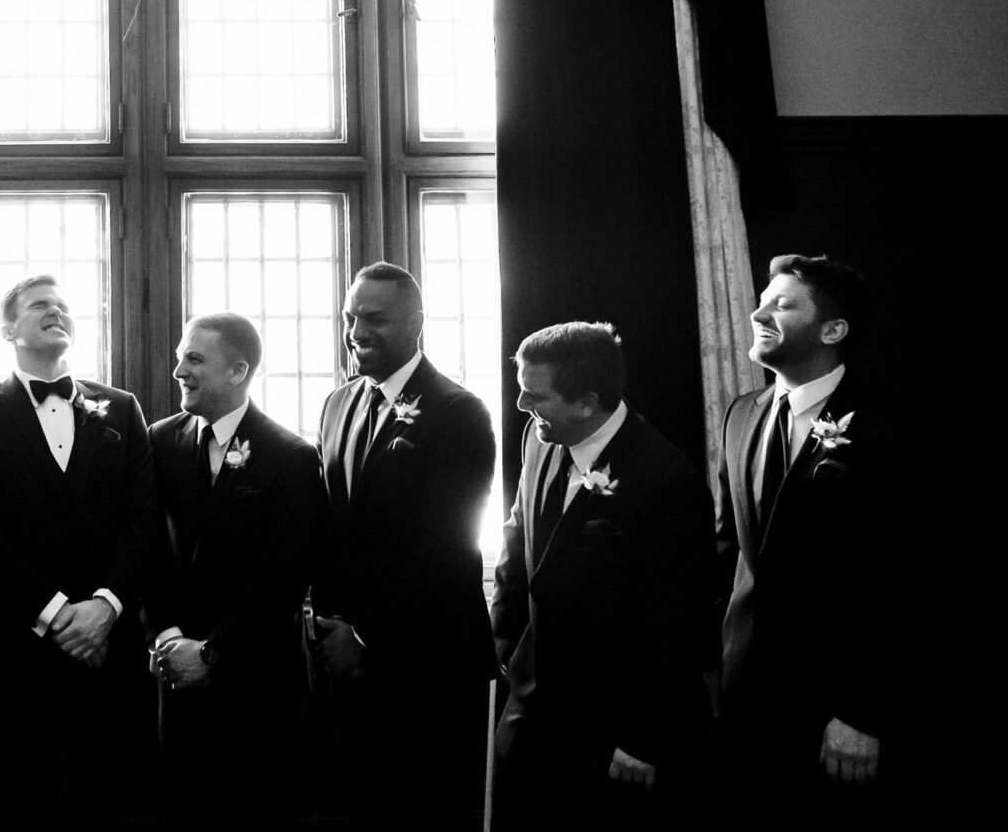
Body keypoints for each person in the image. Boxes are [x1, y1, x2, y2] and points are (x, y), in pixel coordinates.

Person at [0, 275, 158, 817]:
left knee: (107, 806)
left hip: (107, 652)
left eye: (64, 305)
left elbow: (144, 517)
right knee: (9, 809)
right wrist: (59, 614)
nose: (56, 311)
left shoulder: (122, 408)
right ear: (8, 328)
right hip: (12, 653)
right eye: (41, 305)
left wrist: (105, 606)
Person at [489, 322, 715, 830]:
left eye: (534, 395)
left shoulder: (667, 482)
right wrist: (505, 643)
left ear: (588, 403)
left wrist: (642, 736)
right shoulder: (540, 438)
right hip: (531, 709)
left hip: (612, 729)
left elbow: (674, 625)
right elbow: (516, 536)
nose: (522, 406)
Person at [313, 261, 497, 827]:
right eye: (350, 318)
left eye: (374, 318)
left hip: (427, 665)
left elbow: (445, 548)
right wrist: (328, 623)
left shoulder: (457, 411)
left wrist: (367, 635)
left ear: (416, 323)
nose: (356, 332)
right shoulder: (338, 403)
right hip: (348, 663)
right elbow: (332, 524)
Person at [716, 254, 897, 825]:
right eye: (763, 300)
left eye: (782, 304)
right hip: (745, 707)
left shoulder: (887, 427)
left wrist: (862, 713)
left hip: (835, 718)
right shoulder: (741, 415)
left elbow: (907, 580)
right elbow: (729, 557)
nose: (757, 312)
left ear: (833, 329)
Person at [147, 313, 329, 825]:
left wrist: (212, 653)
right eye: (181, 355)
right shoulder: (159, 442)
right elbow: (147, 549)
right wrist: (166, 636)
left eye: (195, 358)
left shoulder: (290, 457)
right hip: (175, 676)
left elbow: (285, 577)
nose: (178, 369)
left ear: (238, 371)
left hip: (257, 685)